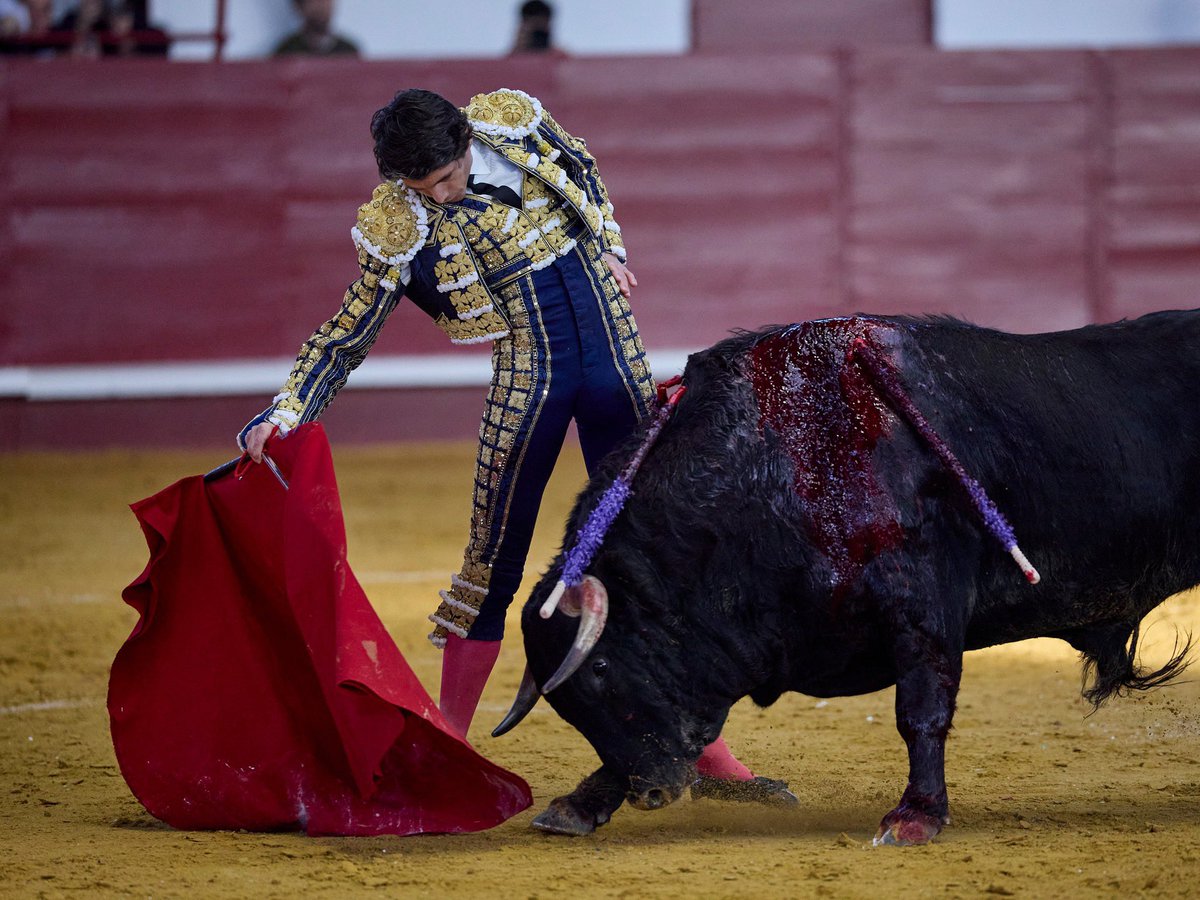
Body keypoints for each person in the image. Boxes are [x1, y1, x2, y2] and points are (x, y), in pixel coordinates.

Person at [239, 87, 793, 804]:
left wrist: (608, 248)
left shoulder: (511, 124)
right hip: (529, 380)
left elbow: (584, 170)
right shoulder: (399, 223)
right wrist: (286, 412)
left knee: (660, 556)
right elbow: (347, 334)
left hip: (617, 362)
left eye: (448, 174)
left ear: (467, 139)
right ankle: (449, 749)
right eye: (425, 186)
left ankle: (707, 753)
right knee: (490, 563)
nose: (443, 193)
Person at [273, 0, 358, 57]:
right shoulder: (286, 52)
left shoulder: (349, 52)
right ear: (299, 7)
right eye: (317, 1)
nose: (323, 6)